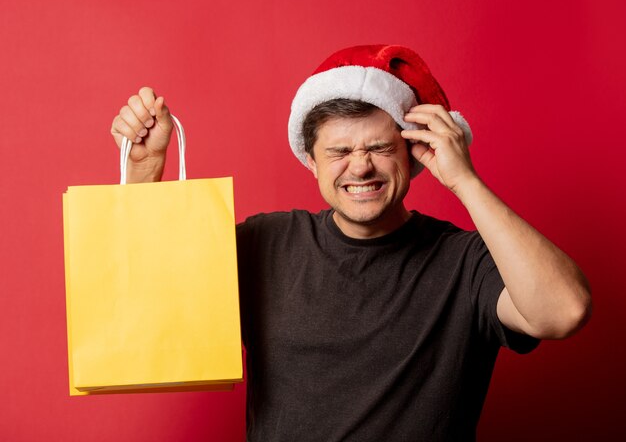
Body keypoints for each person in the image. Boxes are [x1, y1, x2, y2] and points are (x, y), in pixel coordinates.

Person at [110, 45, 592, 441]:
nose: (359, 167)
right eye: (339, 152)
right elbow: (156, 303)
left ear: (414, 152)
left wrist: (465, 181)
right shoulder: (266, 243)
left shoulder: (465, 261)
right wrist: (146, 171)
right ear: (311, 162)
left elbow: (563, 311)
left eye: (380, 149)